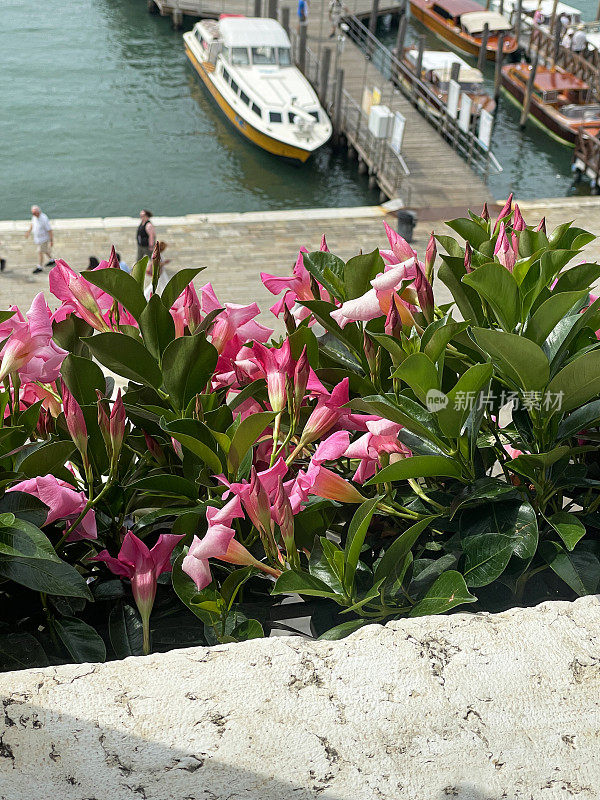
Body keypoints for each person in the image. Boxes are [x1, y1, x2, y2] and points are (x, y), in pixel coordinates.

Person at [25, 205, 53, 274]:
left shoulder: (44, 218)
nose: (34, 214)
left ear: (39, 212)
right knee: (45, 250)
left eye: (35, 213)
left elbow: (49, 230)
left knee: (40, 252)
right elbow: (32, 224)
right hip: (38, 239)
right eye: (33, 213)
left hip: (44, 239)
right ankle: (52, 260)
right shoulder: (34, 217)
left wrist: (51, 240)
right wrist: (28, 232)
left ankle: (39, 266)